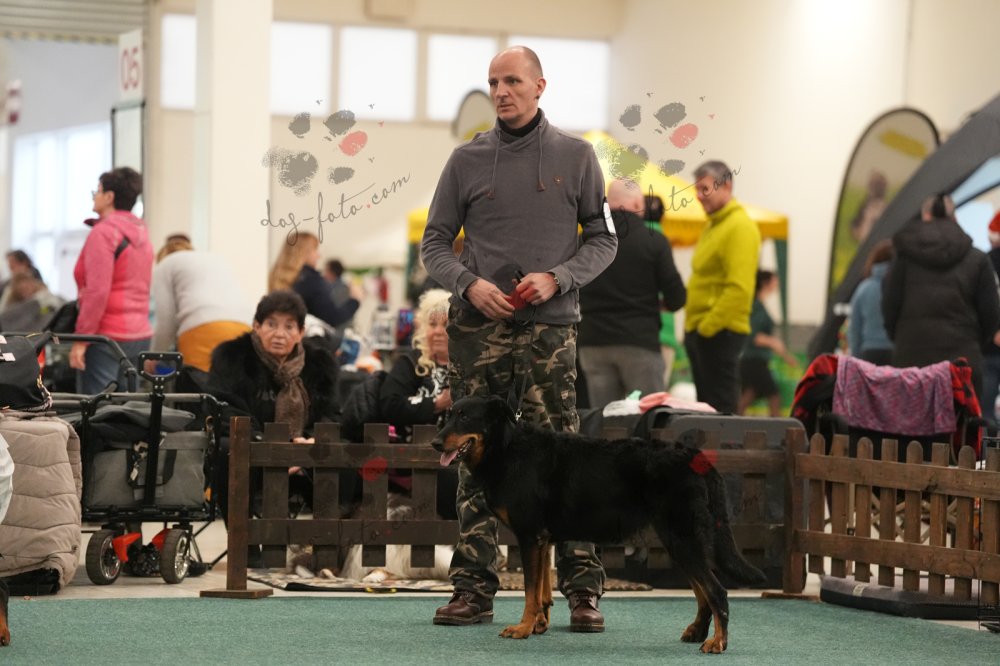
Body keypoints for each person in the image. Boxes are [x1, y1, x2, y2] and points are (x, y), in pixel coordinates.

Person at [421, 45, 618, 632]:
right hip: (477, 330)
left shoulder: (578, 157)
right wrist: (468, 285)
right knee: (471, 457)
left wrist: (559, 277)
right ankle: (473, 589)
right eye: (493, 83)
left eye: (512, 81)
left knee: (566, 458)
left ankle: (582, 591)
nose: (501, 92)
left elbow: (604, 239)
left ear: (539, 86)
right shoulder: (465, 159)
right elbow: (434, 244)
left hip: (550, 331)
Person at [207, 291, 344, 531]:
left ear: (301, 332)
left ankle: (327, 542)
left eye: (289, 327)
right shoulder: (232, 358)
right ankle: (244, 542)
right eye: (271, 324)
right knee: (228, 450)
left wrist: (310, 440)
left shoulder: (319, 364)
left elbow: (332, 414)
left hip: (304, 452)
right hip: (252, 450)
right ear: (256, 326)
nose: (280, 334)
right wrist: (269, 445)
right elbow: (225, 409)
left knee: (342, 452)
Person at [578, 179, 686, 409]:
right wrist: (658, 304)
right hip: (639, 341)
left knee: (605, 417)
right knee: (649, 415)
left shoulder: (585, 240)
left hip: (593, 342)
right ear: (638, 203)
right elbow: (677, 297)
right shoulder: (653, 240)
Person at [882, 193, 1000, 403]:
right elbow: (990, 314)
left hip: (911, 359)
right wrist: (972, 342)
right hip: (962, 363)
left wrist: (902, 338)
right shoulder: (978, 259)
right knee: (961, 423)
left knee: (913, 422)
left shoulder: (904, 258)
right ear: (954, 217)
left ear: (925, 216)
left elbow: (889, 306)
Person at [683, 160, 761, 413]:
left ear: (726, 186)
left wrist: (707, 328)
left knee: (721, 411)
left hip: (719, 332)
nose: (698, 195)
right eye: (696, 189)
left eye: (704, 189)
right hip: (702, 331)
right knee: (706, 410)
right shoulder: (713, 225)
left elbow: (739, 288)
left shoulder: (740, 227)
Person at [70, 167, 154, 394]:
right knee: (127, 409)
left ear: (109, 197)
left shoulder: (104, 233)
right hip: (139, 335)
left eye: (97, 191)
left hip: (106, 338)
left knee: (97, 409)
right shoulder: (142, 234)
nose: (94, 197)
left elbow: (97, 292)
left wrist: (82, 339)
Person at [378, 288, 457, 519]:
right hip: (413, 458)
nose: (438, 331)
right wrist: (437, 403)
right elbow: (390, 404)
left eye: (446, 324)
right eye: (432, 324)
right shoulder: (410, 363)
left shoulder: (471, 366)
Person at [149, 236, 253, 372]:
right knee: (233, 381)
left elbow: (165, 322)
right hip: (245, 327)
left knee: (198, 382)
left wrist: (154, 356)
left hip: (203, 329)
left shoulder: (164, 265)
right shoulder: (214, 259)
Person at [269, 232, 362, 329]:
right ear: (304, 253)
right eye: (315, 250)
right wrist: (355, 300)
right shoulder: (311, 281)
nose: (318, 255)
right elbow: (332, 318)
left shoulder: (277, 277)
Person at [738, 270, 797, 416]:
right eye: (774, 280)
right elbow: (754, 335)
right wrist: (773, 343)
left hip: (753, 360)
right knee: (774, 396)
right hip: (754, 360)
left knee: (749, 395)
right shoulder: (757, 306)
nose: (777, 283)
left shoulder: (758, 305)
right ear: (765, 283)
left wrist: (784, 354)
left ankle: (732, 422)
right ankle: (775, 426)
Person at [847, 239, 894, 365]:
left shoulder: (864, 288)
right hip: (896, 353)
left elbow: (854, 328)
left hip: (869, 352)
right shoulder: (902, 288)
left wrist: (856, 357)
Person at [984, 211, 1000, 424]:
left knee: (985, 413)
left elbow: (983, 302)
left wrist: (994, 330)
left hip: (988, 346)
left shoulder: (984, 262)